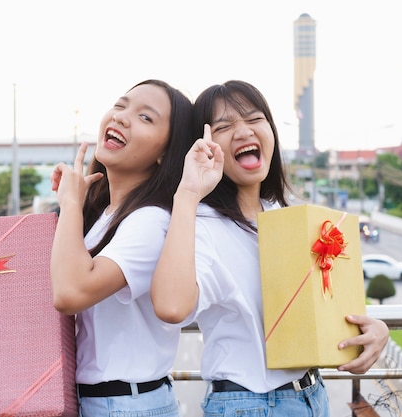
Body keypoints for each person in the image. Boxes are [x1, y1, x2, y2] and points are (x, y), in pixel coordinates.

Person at [150, 80, 389, 416]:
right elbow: (171, 307)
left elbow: (322, 308)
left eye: (254, 119)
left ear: (271, 131)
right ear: (202, 145)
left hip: (312, 395)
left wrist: (373, 331)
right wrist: (188, 194)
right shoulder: (200, 223)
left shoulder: (286, 217)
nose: (243, 131)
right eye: (224, 126)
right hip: (250, 404)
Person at [49, 79, 194, 417]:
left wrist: (71, 205)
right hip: (106, 402)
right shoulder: (105, 214)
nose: (122, 117)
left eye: (145, 118)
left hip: (126, 405)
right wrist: (72, 206)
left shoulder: (150, 221)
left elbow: (69, 293)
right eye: (120, 105)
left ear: (165, 153)